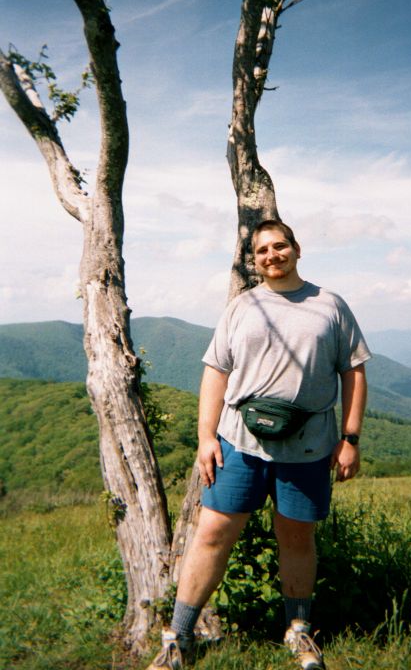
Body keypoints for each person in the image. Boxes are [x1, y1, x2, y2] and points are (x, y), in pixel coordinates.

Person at [148, 219, 371, 670]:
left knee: (296, 537)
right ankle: (179, 638)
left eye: (280, 246)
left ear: (296, 248)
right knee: (211, 534)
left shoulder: (331, 306)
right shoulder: (242, 306)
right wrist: (206, 437)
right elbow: (216, 370)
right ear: (254, 261)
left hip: (308, 446)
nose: (273, 255)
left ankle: (299, 631)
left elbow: (354, 372)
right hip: (238, 442)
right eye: (263, 250)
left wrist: (349, 439)